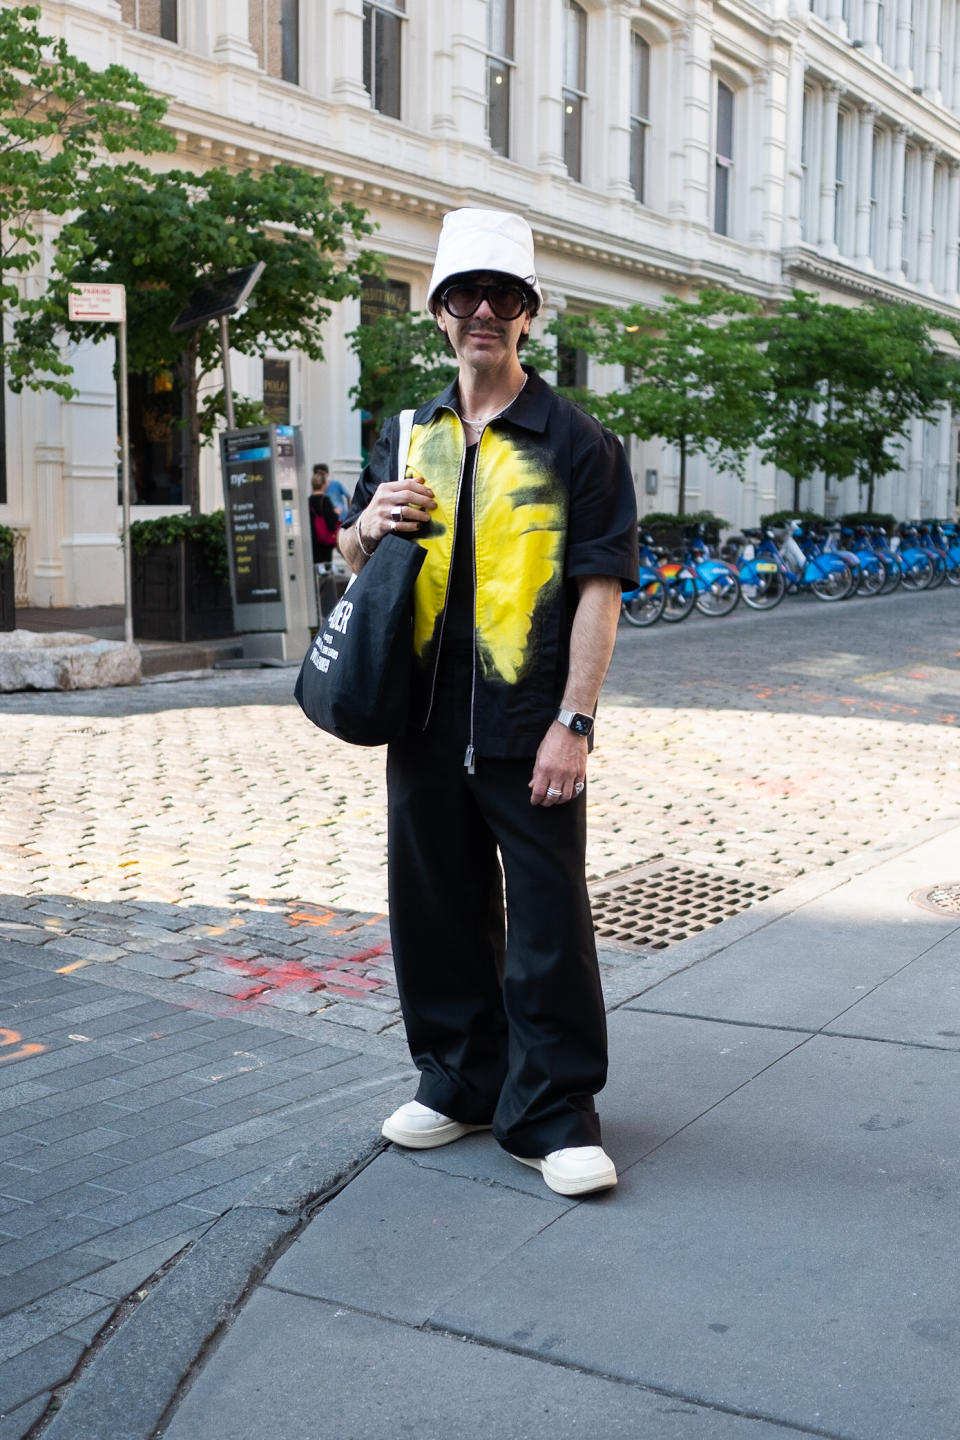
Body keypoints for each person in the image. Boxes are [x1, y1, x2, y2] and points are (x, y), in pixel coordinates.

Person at [338, 208, 638, 1197]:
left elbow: (600, 591)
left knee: (547, 919)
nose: (481, 311)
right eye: (463, 294)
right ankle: (462, 1082)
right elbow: (357, 558)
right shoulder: (409, 433)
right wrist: (363, 529)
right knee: (434, 907)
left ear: (526, 316)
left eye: (501, 297)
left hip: (527, 724)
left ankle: (553, 1113)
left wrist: (575, 721)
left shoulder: (578, 443)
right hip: (421, 720)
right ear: (437, 311)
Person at [308, 467, 340, 565]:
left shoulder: (309, 500)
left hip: (312, 538)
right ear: (323, 485)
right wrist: (336, 513)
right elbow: (331, 522)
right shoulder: (325, 500)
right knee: (325, 565)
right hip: (324, 540)